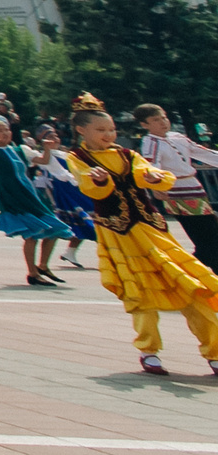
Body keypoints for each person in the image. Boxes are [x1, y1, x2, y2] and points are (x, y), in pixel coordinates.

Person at [63, 97, 218, 376]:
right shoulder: (78, 157)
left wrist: (156, 178)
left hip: (151, 230)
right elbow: (87, 183)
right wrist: (98, 180)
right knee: (140, 294)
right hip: (120, 235)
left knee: (190, 286)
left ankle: (215, 352)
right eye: (101, 130)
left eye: (110, 129)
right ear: (82, 131)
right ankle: (149, 352)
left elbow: (146, 170)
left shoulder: (127, 154)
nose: (109, 135)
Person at [0, 115, 72, 286]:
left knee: (56, 228)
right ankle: (32, 273)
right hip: (13, 194)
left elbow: (43, 160)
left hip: (30, 193)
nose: (5, 133)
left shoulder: (21, 149)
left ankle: (43, 265)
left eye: (6, 129)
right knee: (32, 234)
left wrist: (47, 147)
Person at [135, 104, 218, 266]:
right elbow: (151, 166)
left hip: (196, 189)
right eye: (155, 120)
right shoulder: (150, 142)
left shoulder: (178, 137)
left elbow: (202, 152)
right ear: (144, 125)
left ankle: (189, 270)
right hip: (176, 192)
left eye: (164, 117)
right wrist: (155, 187)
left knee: (209, 237)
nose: (163, 122)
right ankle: (190, 271)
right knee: (206, 237)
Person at [33, 127, 96, 271]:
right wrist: (81, 180)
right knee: (86, 221)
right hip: (67, 191)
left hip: (76, 190)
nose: (54, 139)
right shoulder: (47, 156)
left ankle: (70, 252)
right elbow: (61, 174)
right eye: (50, 137)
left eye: (55, 136)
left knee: (85, 222)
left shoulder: (64, 154)